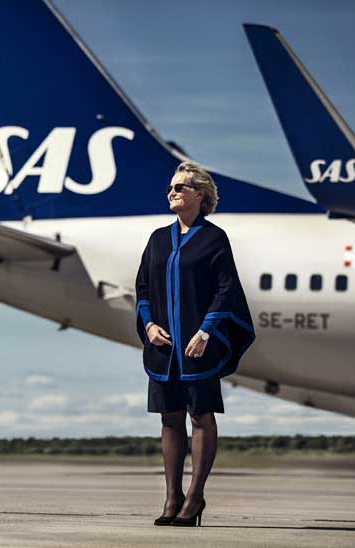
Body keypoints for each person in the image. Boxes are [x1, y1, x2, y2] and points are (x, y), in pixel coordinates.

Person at [135, 161, 255, 527]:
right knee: (169, 419)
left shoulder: (214, 238)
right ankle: (171, 497)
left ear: (200, 195)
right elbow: (142, 289)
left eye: (181, 187)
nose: (172, 192)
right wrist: (150, 325)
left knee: (200, 417)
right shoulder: (157, 238)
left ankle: (195, 497)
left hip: (198, 345)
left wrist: (206, 332)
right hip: (163, 348)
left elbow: (226, 289)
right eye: (171, 187)